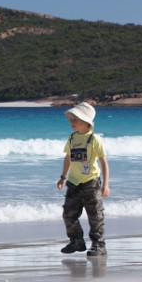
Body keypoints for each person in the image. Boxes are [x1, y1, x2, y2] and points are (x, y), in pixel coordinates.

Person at [56, 102, 110, 256]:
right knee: (68, 214)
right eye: (71, 120)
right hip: (73, 182)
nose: (72, 123)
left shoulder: (94, 139)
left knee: (95, 215)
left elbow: (104, 162)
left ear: (86, 122)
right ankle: (77, 242)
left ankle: (99, 245)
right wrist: (63, 177)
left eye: (75, 120)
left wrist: (105, 184)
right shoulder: (72, 138)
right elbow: (68, 158)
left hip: (91, 182)